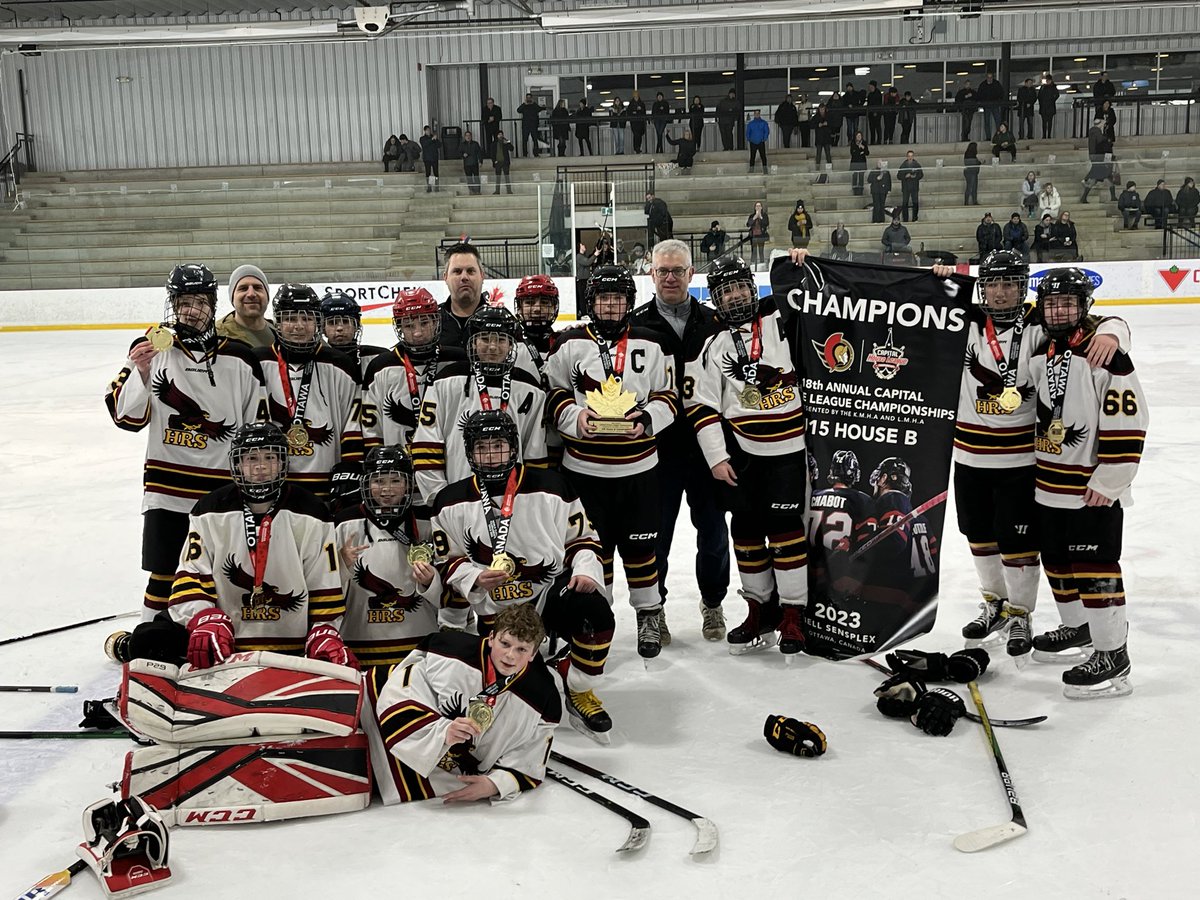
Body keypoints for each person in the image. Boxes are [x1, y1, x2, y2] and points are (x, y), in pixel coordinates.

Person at [943, 251, 1128, 659]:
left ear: (1023, 285)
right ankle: (994, 603)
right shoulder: (963, 319)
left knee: (1018, 542)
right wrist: (936, 281)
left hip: (1021, 462)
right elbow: (903, 309)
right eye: (993, 283)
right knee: (979, 537)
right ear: (983, 287)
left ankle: (1021, 612)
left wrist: (1114, 335)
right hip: (970, 458)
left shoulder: (1040, 323)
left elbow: (1101, 322)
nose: (1002, 292)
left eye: (1010, 283)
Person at [428, 410, 615, 739]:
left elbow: (583, 538)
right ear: (469, 453)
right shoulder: (449, 500)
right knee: (531, 707)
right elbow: (447, 560)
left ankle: (579, 684)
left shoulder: (553, 485)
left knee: (596, 612)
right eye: (482, 447)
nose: (491, 454)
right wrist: (473, 577)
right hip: (493, 611)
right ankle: (538, 672)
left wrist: (585, 569)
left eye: (498, 445)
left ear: (513, 447)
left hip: (546, 597)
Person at [119, 421, 350, 669]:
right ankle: (123, 645)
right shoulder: (209, 508)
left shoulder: (313, 511)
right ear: (237, 463)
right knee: (150, 640)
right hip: (223, 637)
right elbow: (191, 576)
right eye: (251, 458)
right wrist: (204, 617)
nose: (261, 466)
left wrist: (323, 630)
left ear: (283, 462)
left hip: (291, 639)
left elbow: (323, 582)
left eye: (270, 457)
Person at [106, 264, 265, 621]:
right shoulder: (151, 348)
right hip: (167, 490)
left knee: (222, 573)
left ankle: (217, 634)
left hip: (222, 491)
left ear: (212, 305)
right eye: (183, 302)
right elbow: (124, 416)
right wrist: (142, 372)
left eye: (199, 302)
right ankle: (149, 639)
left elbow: (256, 425)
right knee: (164, 573)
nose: (191, 311)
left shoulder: (239, 357)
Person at [543, 266, 678, 659]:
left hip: (639, 471)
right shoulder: (569, 343)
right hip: (583, 473)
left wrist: (648, 419)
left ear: (629, 301)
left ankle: (649, 613)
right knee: (590, 552)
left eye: (618, 298)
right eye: (603, 298)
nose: (611, 305)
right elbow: (552, 391)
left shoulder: (651, 342)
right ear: (591, 303)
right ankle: (594, 619)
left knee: (641, 550)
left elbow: (668, 395)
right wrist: (573, 416)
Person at [1027, 269, 1146, 699]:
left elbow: (1130, 421)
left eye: (1069, 303)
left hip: (1090, 489)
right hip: (1048, 485)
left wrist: (1111, 479)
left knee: (1096, 570)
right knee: (1057, 562)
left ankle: (1113, 652)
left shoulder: (1106, 355)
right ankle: (1077, 628)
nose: (1059, 311)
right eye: (1051, 304)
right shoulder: (1042, 346)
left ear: (1084, 307)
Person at [683, 256, 809, 656]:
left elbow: (812, 298)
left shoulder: (782, 320)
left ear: (753, 288)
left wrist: (794, 268)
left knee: (787, 532)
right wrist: (717, 457)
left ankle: (793, 614)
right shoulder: (713, 343)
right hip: (744, 455)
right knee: (747, 533)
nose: (735, 296)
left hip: (790, 452)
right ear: (715, 299)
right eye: (724, 291)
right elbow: (701, 406)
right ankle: (759, 609)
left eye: (740, 287)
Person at [630, 240, 730, 641]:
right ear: (651, 275)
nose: (670, 277)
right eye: (662, 271)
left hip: (708, 449)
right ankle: (656, 608)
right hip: (656, 452)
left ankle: (713, 602)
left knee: (713, 531)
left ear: (692, 274)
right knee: (657, 535)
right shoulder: (634, 325)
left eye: (678, 270)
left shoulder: (714, 322)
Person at [371, 602, 560, 802]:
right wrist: (442, 731)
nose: (510, 655)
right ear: (491, 638)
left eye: (522, 649)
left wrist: (496, 783)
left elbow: (532, 754)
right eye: (505, 644)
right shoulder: (448, 649)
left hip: (440, 775)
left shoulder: (544, 697)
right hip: (375, 724)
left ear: (533, 654)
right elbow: (397, 691)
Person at [412, 305, 547, 507]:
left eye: (501, 340)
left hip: (513, 502)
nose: (492, 347)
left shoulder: (530, 389)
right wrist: (439, 497)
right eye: (485, 339)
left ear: (512, 345)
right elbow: (426, 444)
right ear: (473, 342)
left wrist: (529, 500)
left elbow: (535, 454)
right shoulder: (445, 381)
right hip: (457, 499)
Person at [335, 446, 442, 667]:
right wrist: (341, 564)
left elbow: (451, 592)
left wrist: (431, 581)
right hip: (360, 642)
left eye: (395, 481)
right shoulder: (345, 522)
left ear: (408, 484)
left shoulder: (428, 522)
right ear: (366, 483)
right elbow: (325, 588)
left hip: (419, 643)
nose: (387, 489)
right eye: (378, 481)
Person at [260, 284, 364, 500]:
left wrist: (349, 471)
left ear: (317, 322)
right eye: (290, 318)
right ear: (277, 322)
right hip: (274, 489)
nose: (299, 326)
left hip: (327, 488)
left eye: (306, 318)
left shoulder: (340, 366)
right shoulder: (258, 363)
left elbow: (352, 427)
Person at [362, 287, 464, 451]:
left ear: (435, 321)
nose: (418, 333)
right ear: (400, 328)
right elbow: (371, 427)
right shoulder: (380, 367)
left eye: (424, 323)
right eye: (409, 326)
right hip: (397, 469)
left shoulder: (458, 361)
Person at [321, 290, 387, 377]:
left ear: (356, 326)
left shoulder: (380, 357)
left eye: (345, 321)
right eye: (332, 323)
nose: (339, 328)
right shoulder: (316, 362)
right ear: (322, 328)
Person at [217, 264, 275, 350]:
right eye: (243, 288)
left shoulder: (281, 333)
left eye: (257, 287)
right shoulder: (218, 338)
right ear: (232, 298)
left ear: (267, 295)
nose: (251, 294)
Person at [977, 71, 1007, 138]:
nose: (990, 79)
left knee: (998, 122)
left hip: (995, 105)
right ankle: (988, 137)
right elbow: (979, 95)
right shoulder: (983, 85)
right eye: (988, 77)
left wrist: (998, 101)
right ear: (986, 77)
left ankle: (999, 136)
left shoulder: (996, 84)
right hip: (987, 105)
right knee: (988, 123)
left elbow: (1001, 93)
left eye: (991, 77)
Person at [897, 149, 923, 222]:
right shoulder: (903, 165)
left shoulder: (917, 165)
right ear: (907, 157)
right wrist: (905, 176)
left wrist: (915, 176)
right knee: (905, 203)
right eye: (909, 156)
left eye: (911, 156)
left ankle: (915, 218)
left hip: (914, 187)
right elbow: (898, 176)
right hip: (906, 187)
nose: (910, 158)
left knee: (915, 203)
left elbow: (921, 175)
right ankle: (905, 219)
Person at [516, 93, 542, 158]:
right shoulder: (524, 106)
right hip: (526, 125)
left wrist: (534, 103)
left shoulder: (534, 105)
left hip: (533, 125)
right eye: (527, 98)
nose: (528, 99)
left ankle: (536, 153)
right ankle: (525, 154)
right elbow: (518, 110)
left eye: (530, 98)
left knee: (535, 139)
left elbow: (539, 109)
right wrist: (524, 104)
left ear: (531, 98)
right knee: (525, 140)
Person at [746, 201, 770, 267]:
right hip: (754, 236)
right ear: (755, 208)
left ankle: (762, 263)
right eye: (757, 206)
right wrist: (754, 217)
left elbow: (766, 223)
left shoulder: (764, 215)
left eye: (759, 206)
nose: (758, 207)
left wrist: (760, 217)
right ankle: (753, 264)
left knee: (761, 250)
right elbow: (748, 224)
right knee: (754, 250)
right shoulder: (752, 215)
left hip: (761, 235)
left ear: (761, 207)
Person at [867, 159, 891, 224]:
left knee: (882, 205)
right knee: (876, 205)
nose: (880, 164)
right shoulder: (873, 171)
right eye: (879, 163)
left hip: (883, 191)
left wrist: (889, 189)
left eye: (881, 163)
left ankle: (882, 220)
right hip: (875, 191)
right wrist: (876, 178)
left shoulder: (886, 171)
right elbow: (869, 180)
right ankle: (875, 220)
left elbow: (889, 180)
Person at [746, 109, 769, 173]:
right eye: (755, 113)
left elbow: (766, 131)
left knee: (763, 156)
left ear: (759, 114)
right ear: (754, 115)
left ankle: (765, 169)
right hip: (753, 142)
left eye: (758, 113)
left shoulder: (764, 123)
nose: (757, 115)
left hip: (761, 142)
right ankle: (751, 169)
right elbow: (748, 132)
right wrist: (749, 138)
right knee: (752, 156)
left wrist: (764, 138)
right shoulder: (750, 124)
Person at [461, 130, 483, 195]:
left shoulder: (475, 144)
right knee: (469, 178)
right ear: (464, 137)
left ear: (471, 136)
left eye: (469, 135)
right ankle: (471, 190)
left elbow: (479, 153)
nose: (468, 137)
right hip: (467, 164)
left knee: (476, 178)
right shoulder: (462, 145)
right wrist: (463, 155)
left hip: (474, 163)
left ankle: (478, 190)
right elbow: (459, 152)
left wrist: (480, 161)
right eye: (466, 135)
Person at [419, 125, 441, 193]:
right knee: (428, 173)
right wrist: (431, 140)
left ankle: (436, 187)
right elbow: (424, 144)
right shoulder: (422, 138)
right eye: (427, 130)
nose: (429, 131)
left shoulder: (434, 137)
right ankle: (429, 187)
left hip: (434, 158)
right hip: (427, 158)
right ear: (425, 131)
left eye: (429, 130)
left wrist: (436, 140)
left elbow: (439, 145)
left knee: (436, 173)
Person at [1038, 72, 1060, 139]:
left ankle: (1048, 135)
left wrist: (1051, 100)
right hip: (1045, 107)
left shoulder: (1053, 87)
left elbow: (1056, 95)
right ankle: (1044, 135)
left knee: (1049, 122)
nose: (1047, 81)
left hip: (1049, 107)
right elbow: (1039, 96)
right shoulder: (1043, 87)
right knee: (1044, 122)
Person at [491, 130, 513, 196]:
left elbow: (512, 149)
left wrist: (508, 142)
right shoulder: (494, 144)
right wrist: (494, 161)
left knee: (507, 177)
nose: (501, 136)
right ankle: (497, 190)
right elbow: (492, 153)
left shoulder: (505, 143)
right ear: (497, 136)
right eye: (499, 134)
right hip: (498, 162)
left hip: (505, 162)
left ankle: (509, 190)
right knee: (498, 177)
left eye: (501, 134)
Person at [849, 130, 869, 196]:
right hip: (855, 162)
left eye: (860, 136)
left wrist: (863, 148)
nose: (859, 137)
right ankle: (854, 190)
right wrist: (860, 152)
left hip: (862, 162)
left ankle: (861, 191)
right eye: (857, 136)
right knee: (854, 176)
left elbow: (867, 153)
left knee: (861, 177)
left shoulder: (864, 143)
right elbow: (853, 153)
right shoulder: (853, 143)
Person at [865, 81, 883, 145]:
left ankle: (878, 140)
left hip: (876, 113)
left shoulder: (878, 94)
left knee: (877, 127)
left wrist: (876, 111)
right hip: (871, 113)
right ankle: (872, 141)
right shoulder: (870, 94)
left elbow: (878, 103)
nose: (870, 88)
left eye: (871, 86)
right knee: (872, 128)